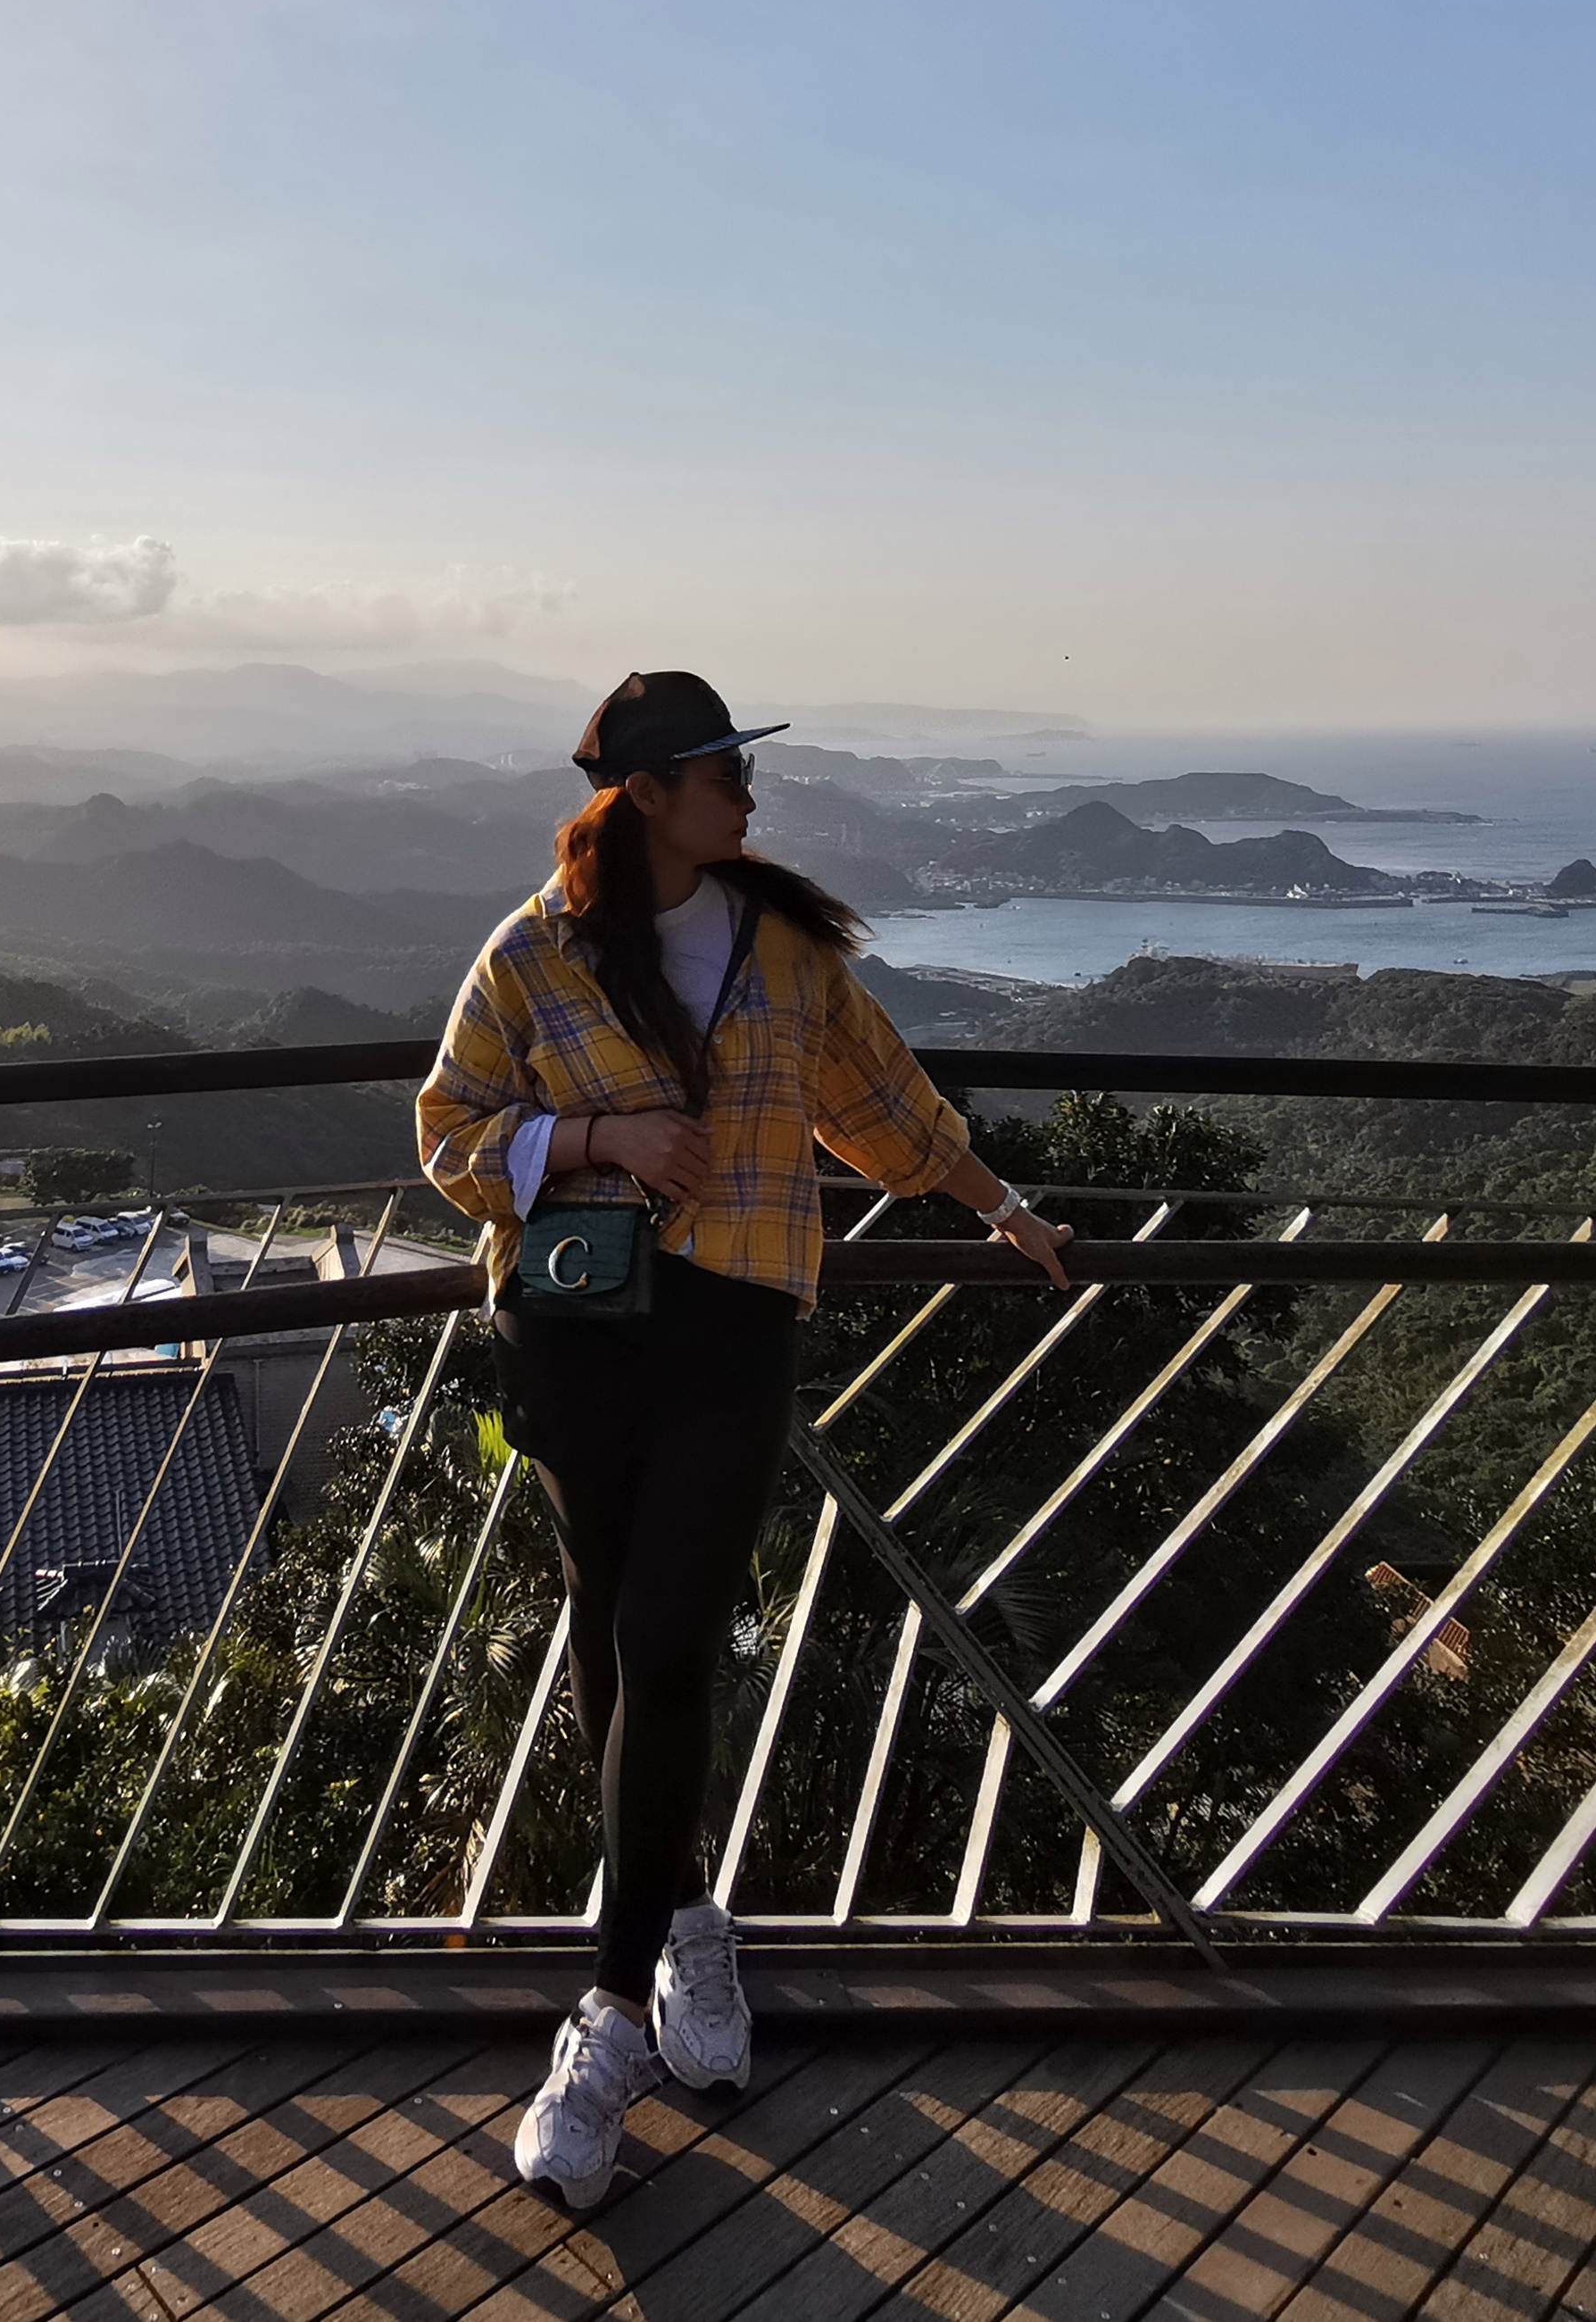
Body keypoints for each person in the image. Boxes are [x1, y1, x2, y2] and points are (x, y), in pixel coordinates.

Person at [419, 670, 1071, 2209]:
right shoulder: (536, 950)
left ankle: (604, 2016)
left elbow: (885, 1105)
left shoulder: (784, 945)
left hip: (734, 1331)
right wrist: (595, 1138)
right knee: (611, 1631)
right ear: (646, 791)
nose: (746, 794)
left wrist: (1003, 1208)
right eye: (719, 769)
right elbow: (449, 1138)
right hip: (575, 1331)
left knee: (666, 1633)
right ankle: (690, 1923)